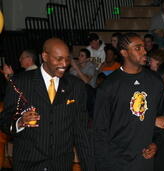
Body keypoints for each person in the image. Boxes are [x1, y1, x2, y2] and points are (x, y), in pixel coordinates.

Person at [0, 38, 94, 170]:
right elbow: (4, 121)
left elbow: (81, 133)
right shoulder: (20, 83)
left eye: (67, 59)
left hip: (61, 165)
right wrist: (20, 122)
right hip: (28, 164)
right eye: (59, 58)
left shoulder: (76, 86)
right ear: (44, 56)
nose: (64, 64)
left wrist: (89, 167)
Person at [93, 33, 164, 171]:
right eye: (138, 48)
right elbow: (100, 130)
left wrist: (155, 143)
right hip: (116, 161)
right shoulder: (109, 86)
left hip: (144, 160)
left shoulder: (155, 81)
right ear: (124, 53)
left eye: (143, 47)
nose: (144, 51)